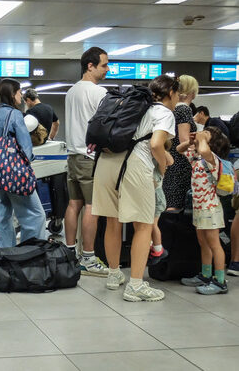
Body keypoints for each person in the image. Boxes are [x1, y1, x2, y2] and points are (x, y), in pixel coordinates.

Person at [94, 74, 177, 302]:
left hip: (106, 162)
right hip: (134, 165)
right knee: (144, 224)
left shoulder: (132, 105)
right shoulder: (163, 112)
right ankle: (136, 285)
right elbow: (156, 144)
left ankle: (113, 275)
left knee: (112, 220)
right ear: (171, 93)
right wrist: (162, 165)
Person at [64, 46, 110, 277]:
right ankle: (89, 258)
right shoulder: (98, 92)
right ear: (90, 66)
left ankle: (70, 252)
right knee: (93, 206)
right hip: (90, 157)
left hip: (73, 155)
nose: (107, 70)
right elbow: (106, 127)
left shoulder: (71, 91)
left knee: (74, 205)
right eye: (104, 65)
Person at [0, 78, 47, 247]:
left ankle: (6, 254)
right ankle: (30, 253)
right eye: (19, 92)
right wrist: (28, 161)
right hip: (15, 172)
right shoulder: (14, 114)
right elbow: (25, 147)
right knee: (35, 215)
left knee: (4, 215)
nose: (21, 96)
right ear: (12, 94)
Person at [178, 127, 230, 295]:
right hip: (199, 208)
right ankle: (206, 275)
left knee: (214, 243)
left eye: (206, 134)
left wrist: (201, 140)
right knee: (203, 242)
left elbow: (204, 149)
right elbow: (179, 150)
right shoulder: (198, 159)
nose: (201, 134)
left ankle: (220, 281)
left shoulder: (212, 158)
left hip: (211, 208)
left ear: (211, 142)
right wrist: (192, 141)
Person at [163, 74, 198, 211]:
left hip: (170, 158)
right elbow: (184, 140)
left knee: (169, 200)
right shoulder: (184, 109)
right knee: (176, 204)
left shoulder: (172, 108)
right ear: (192, 91)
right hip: (181, 164)